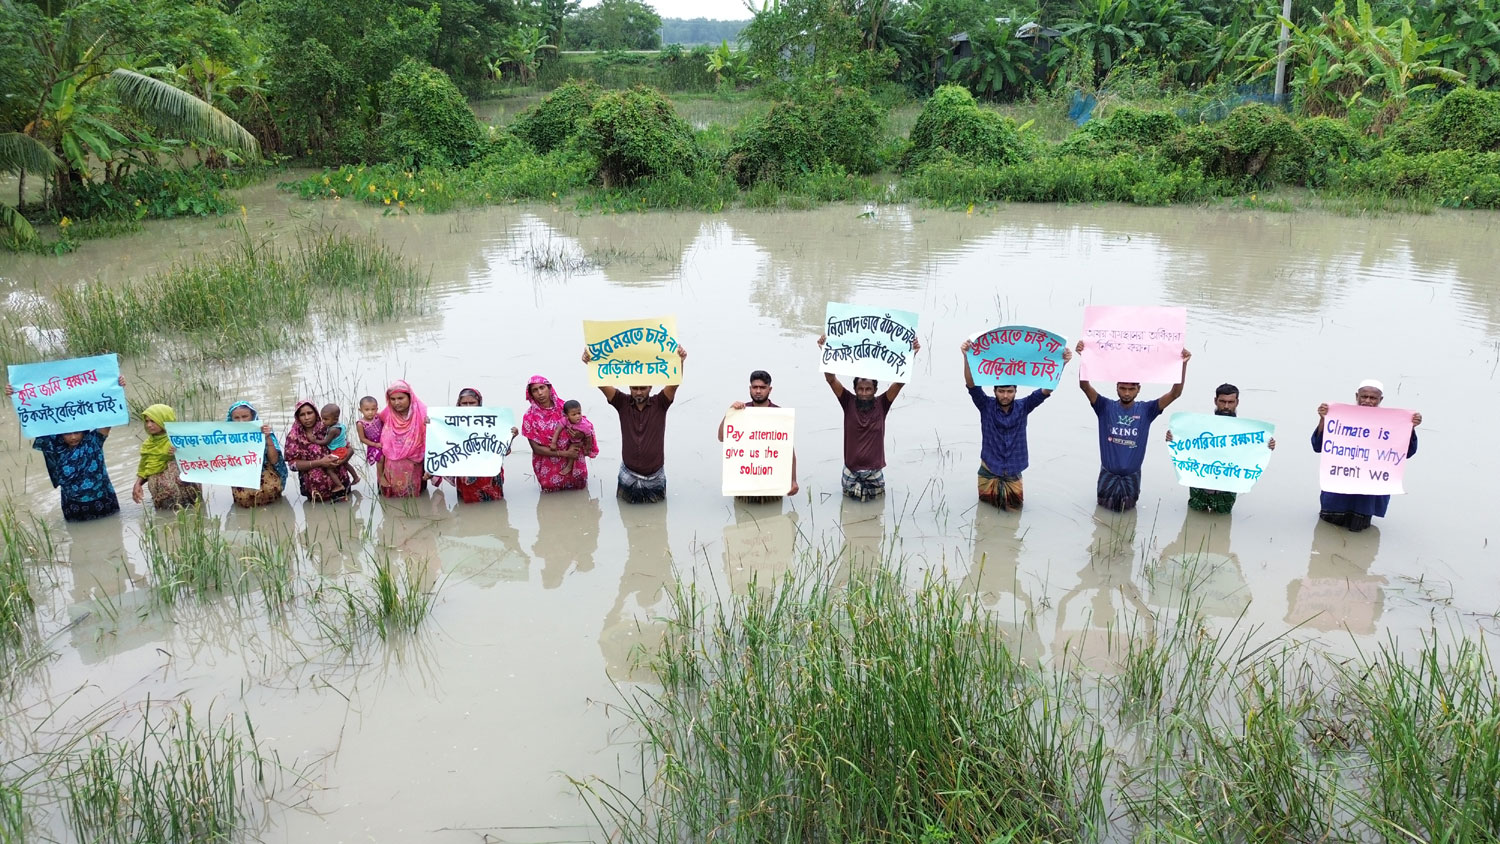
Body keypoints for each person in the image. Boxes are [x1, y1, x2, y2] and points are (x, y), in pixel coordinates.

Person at [1076, 341, 1190, 512]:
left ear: (1138, 389)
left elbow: (1175, 393)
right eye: (1123, 388)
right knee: (1102, 514)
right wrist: (1084, 357)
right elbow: (1084, 386)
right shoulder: (1104, 407)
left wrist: (1183, 365)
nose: (1127, 393)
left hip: (1132, 476)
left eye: (1131, 389)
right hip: (1108, 474)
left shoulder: (1147, 410)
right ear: (1117, 388)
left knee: (1128, 513)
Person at [960, 340, 1072, 510]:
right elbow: (971, 385)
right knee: (984, 513)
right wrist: (967, 357)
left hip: (1013, 471)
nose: (1005, 395)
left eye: (1010, 391)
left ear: (1015, 392)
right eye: (1001, 391)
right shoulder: (985, 406)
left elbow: (1047, 389)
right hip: (989, 470)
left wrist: (1061, 364)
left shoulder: (1024, 406)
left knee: (1015, 511)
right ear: (995, 391)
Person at [816, 334, 919, 502]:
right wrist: (825, 352)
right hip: (850, 472)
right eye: (860, 389)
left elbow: (900, 382)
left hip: (875, 473)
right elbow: (831, 379)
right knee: (849, 518)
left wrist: (912, 353)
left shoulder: (882, 404)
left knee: (877, 514)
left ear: (875, 390)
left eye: (868, 389)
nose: (864, 393)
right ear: (855, 389)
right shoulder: (847, 401)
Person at [5, 377, 124, 522]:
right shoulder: (54, 447)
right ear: (60, 434)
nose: (73, 437)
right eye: (67, 433)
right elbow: (34, 419)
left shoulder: (93, 442)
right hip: (73, 505)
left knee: (111, 534)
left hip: (103, 500)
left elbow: (109, 416)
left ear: (84, 431)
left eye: (77, 432)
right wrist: (16, 395)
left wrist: (116, 387)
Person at [582, 344, 689, 503]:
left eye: (643, 388)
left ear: (650, 387)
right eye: (634, 388)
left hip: (655, 475)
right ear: (629, 387)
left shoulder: (661, 403)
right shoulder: (621, 402)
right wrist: (590, 363)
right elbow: (601, 383)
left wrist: (680, 361)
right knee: (627, 518)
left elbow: (674, 383)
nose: (638, 392)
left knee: (657, 521)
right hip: (628, 474)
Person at [1310, 379, 1420, 532]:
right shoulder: (1341, 418)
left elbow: (1406, 453)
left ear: (1380, 400)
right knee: (1326, 533)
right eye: (1364, 396)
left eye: (1373, 398)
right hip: (1337, 493)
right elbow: (1318, 446)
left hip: (1367, 497)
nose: (1367, 401)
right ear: (1357, 396)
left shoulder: (1390, 423)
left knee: (1358, 533)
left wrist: (1410, 427)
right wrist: (1323, 419)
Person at [1163, 383, 1277, 514]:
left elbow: (1253, 453)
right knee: (1194, 517)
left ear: (1237, 402)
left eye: (1230, 402)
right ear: (1215, 401)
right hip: (1200, 485)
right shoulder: (1199, 426)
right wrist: (1173, 438)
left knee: (1222, 518)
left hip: (1227, 489)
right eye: (1222, 401)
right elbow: (1184, 444)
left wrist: (1267, 445)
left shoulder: (1246, 433)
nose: (1226, 406)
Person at [717, 369, 798, 503]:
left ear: (770, 389)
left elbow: (789, 451)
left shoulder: (779, 414)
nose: (758, 391)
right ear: (750, 389)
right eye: (755, 387)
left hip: (772, 485)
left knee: (774, 518)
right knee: (742, 520)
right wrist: (729, 413)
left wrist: (793, 480)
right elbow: (721, 437)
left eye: (762, 387)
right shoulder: (740, 411)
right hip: (744, 484)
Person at [437, 387, 519, 503]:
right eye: (464, 403)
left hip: (489, 474)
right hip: (465, 474)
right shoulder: (451, 424)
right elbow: (441, 443)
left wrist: (511, 436)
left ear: (479, 403)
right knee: (467, 507)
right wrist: (432, 424)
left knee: (495, 509)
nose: (468, 407)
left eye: (472, 403)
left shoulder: (493, 422)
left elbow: (503, 451)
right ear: (459, 405)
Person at [522, 375, 594, 492]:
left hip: (574, 461)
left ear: (549, 389)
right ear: (530, 394)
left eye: (542, 388)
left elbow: (586, 427)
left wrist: (579, 436)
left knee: (579, 499)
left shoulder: (566, 408)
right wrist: (566, 454)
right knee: (551, 501)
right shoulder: (529, 417)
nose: (540, 393)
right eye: (535, 390)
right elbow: (536, 448)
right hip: (549, 465)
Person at [283, 399, 355, 502]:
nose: (307, 418)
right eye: (302, 415)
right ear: (297, 417)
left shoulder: (328, 426)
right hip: (315, 491)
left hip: (342, 485)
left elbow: (349, 448)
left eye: (310, 413)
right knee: (317, 516)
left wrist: (342, 461)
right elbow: (293, 465)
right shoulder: (294, 436)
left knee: (345, 514)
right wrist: (320, 462)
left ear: (316, 413)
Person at [132, 404, 201, 509]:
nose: (149, 425)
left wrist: (181, 452)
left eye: (153, 421)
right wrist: (137, 484)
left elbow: (199, 459)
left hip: (186, 496)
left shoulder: (181, 439)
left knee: (190, 517)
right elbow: (144, 468)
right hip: (160, 498)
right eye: (147, 421)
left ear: (165, 419)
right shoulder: (148, 445)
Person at [226, 400, 288, 508]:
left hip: (266, 480)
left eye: (245, 416)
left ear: (252, 416)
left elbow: (274, 461)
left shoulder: (264, 432)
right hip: (242, 478)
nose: (241, 421)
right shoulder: (225, 437)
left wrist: (267, 438)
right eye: (236, 418)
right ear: (231, 419)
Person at [377, 380, 427, 498]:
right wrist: (381, 475)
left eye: (400, 398)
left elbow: (433, 441)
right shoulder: (386, 414)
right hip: (391, 469)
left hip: (414, 466)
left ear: (410, 397)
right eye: (392, 399)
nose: (396, 403)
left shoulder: (423, 414)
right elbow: (376, 445)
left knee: (413, 501)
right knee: (391, 500)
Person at [551, 399, 596, 477]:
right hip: (571, 440)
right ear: (567, 416)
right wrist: (553, 443)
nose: (578, 416)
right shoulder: (565, 420)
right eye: (574, 414)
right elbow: (558, 430)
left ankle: (569, 466)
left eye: (579, 413)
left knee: (572, 448)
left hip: (580, 442)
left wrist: (587, 449)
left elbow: (589, 437)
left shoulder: (584, 425)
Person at [354, 396, 383, 467]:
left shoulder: (378, 416)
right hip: (373, 444)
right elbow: (362, 439)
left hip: (383, 439)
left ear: (377, 409)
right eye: (367, 410)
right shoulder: (360, 423)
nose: (370, 412)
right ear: (361, 410)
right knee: (380, 458)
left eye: (373, 409)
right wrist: (375, 444)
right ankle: (380, 476)